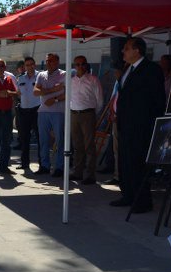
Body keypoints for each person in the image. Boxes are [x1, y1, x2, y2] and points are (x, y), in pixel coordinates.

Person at [110, 37, 166, 212]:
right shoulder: (128, 69)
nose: (123, 52)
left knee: (138, 164)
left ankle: (142, 201)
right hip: (125, 125)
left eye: (126, 48)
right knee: (125, 162)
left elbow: (156, 100)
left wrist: (148, 124)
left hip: (141, 127)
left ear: (137, 51)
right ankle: (128, 195)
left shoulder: (151, 69)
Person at [69, 56, 104, 185]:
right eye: (77, 64)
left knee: (89, 145)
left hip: (87, 114)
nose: (80, 66)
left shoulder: (93, 79)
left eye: (83, 64)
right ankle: (77, 172)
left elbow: (99, 100)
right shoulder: (71, 80)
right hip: (74, 114)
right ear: (74, 66)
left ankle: (90, 175)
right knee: (77, 145)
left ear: (86, 65)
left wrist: (92, 114)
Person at [33, 53, 66, 177]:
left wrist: (55, 99)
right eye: (47, 61)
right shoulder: (41, 75)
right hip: (43, 112)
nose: (48, 63)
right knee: (43, 140)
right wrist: (52, 90)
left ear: (57, 62)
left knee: (59, 140)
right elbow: (35, 92)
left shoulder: (63, 74)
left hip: (58, 111)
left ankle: (59, 167)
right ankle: (45, 166)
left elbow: (68, 93)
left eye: (51, 61)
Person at [15, 57, 40, 171]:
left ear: (35, 65)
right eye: (27, 65)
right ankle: (24, 163)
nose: (30, 67)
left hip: (37, 110)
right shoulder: (20, 78)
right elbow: (19, 93)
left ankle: (42, 164)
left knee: (40, 138)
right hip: (24, 111)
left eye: (31, 64)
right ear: (24, 67)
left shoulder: (40, 76)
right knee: (24, 139)